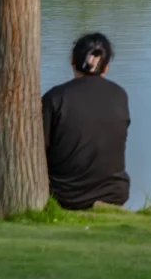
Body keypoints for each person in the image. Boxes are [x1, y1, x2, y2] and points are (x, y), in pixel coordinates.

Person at [42, 32, 130, 211]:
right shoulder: (120, 95)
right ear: (106, 67)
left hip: (66, 195)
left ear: (72, 62)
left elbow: (38, 148)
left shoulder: (55, 98)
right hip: (114, 193)